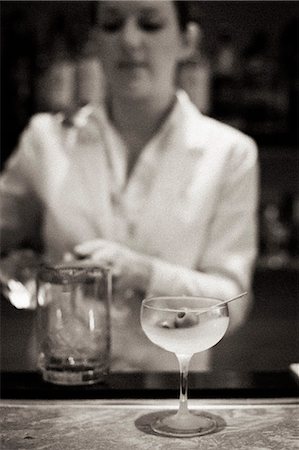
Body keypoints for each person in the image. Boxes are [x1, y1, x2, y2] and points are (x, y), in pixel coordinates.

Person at [0, 1, 259, 371]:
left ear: (187, 40)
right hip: (63, 382)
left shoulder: (230, 153)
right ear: (94, 41)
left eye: (150, 24)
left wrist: (144, 273)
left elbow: (232, 305)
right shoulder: (47, 139)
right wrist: (16, 271)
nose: (130, 40)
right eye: (111, 24)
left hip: (169, 391)